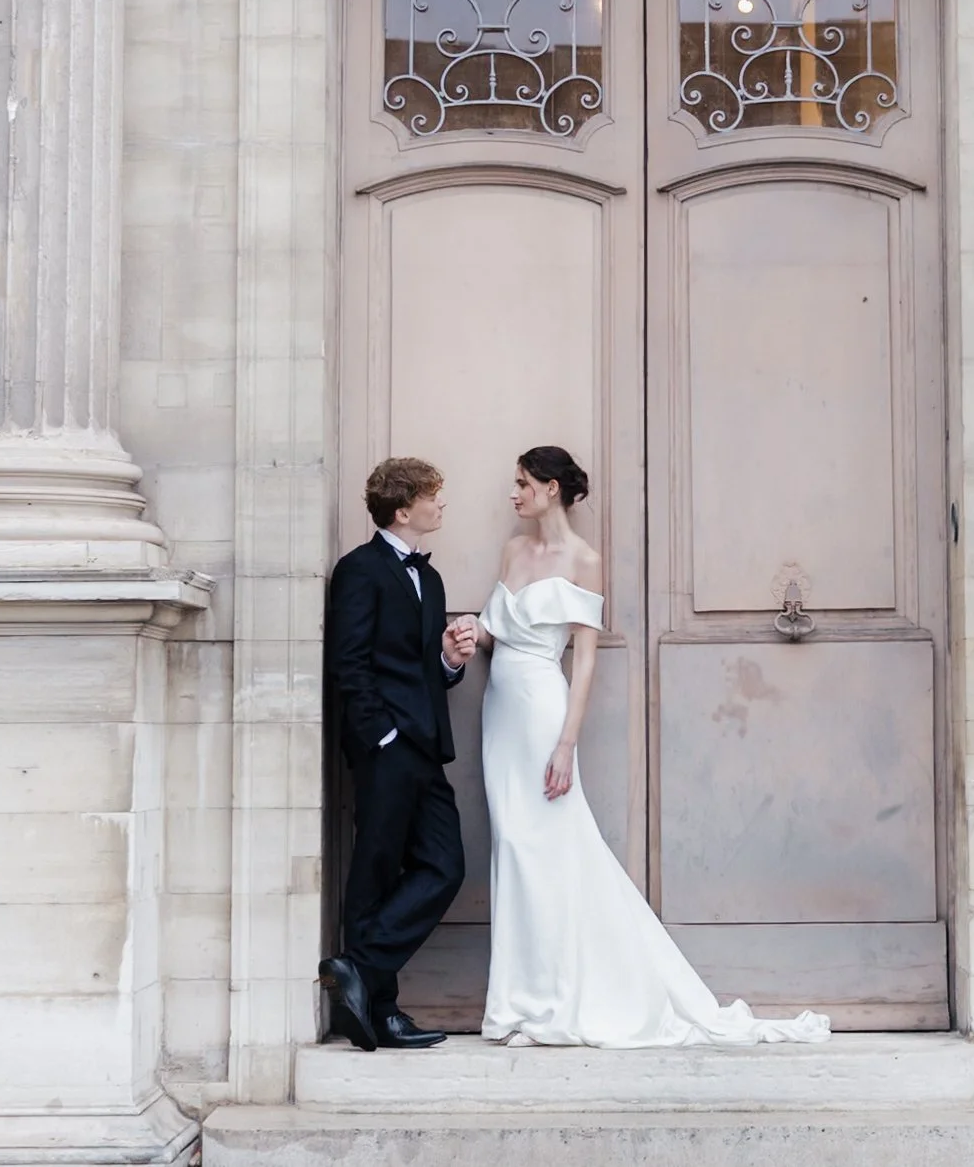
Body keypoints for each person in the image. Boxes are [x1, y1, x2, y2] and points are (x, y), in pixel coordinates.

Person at [472, 444, 830, 1048]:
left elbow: (583, 660)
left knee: (549, 849)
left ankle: (556, 998)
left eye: (522, 483)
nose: (514, 493)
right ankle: (520, 999)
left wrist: (566, 744)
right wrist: (465, 635)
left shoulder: (585, 561)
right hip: (499, 711)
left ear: (551, 488)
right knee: (512, 845)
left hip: (540, 712)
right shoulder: (513, 550)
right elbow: (492, 630)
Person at [320, 456, 478, 1052]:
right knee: (376, 871)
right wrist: (378, 737)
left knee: (444, 865)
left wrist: (450, 660)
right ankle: (378, 1012)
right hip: (387, 747)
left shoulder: (429, 579)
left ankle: (356, 967)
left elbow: (426, 671)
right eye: (435, 497)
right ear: (404, 508)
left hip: (426, 744)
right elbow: (349, 663)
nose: (442, 506)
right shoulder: (359, 570)